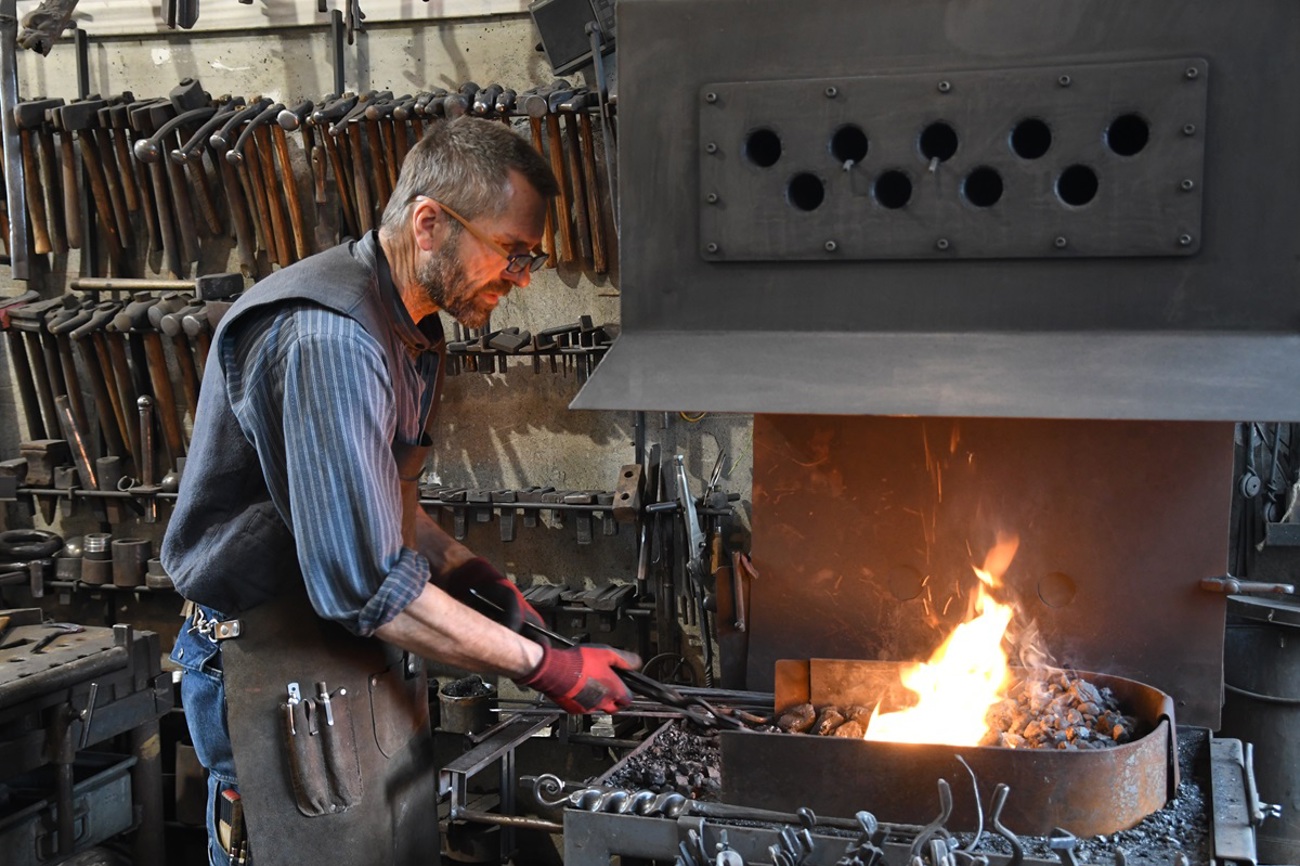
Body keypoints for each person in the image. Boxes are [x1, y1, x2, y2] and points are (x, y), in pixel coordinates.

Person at [161, 116, 640, 866]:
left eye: (530, 259)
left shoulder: (411, 330)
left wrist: (479, 579)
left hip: (339, 658)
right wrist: (541, 666)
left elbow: (393, 513)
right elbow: (370, 586)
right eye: (512, 252)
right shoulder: (330, 340)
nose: (521, 279)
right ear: (428, 224)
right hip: (268, 661)